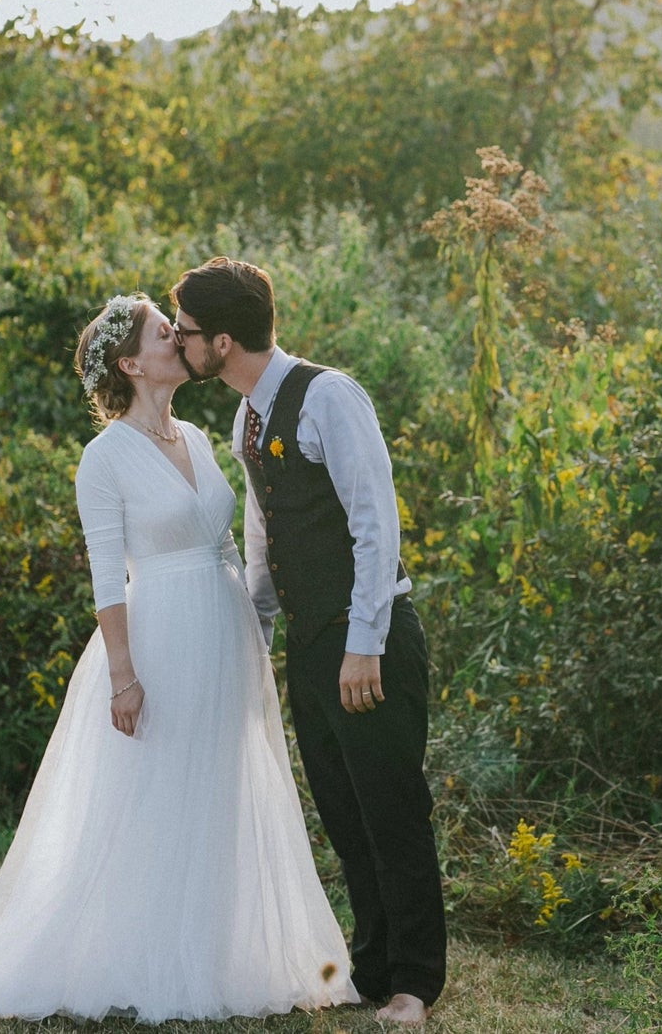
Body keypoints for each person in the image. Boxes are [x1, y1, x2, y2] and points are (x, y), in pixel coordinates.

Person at [0, 293, 357, 1022]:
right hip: (158, 638)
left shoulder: (200, 438)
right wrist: (122, 674)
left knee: (217, 788)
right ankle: (137, 953)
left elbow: (230, 543)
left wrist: (254, 632)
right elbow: (107, 574)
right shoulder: (103, 457)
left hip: (224, 633)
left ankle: (216, 950)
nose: (180, 339)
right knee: (154, 795)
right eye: (163, 332)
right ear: (131, 362)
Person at [170, 257, 447, 1026]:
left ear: (221, 341)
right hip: (308, 643)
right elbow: (263, 538)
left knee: (391, 809)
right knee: (344, 812)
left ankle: (414, 985)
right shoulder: (246, 417)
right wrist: (253, 636)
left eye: (186, 332)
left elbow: (374, 521)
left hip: (371, 641)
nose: (179, 342)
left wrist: (365, 641)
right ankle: (372, 966)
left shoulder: (328, 394)